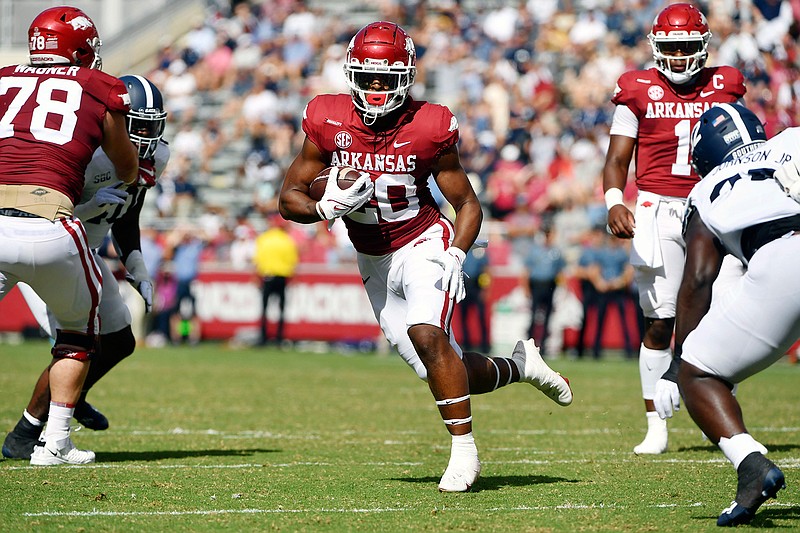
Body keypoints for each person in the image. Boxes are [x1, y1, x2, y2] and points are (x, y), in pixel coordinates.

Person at [279, 21, 572, 492]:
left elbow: (469, 204)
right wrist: (322, 208)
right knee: (435, 365)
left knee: (426, 332)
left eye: (386, 77)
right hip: (372, 258)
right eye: (368, 76)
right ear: (352, 73)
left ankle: (464, 452)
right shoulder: (327, 117)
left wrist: (456, 254)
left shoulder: (430, 124)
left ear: (407, 76)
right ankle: (521, 366)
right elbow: (288, 197)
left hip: (423, 242)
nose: (376, 87)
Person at [602, 3, 747, 454]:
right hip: (657, 208)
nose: (680, 56)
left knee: (724, 313)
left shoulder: (725, 84)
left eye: (687, 46)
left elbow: (744, 146)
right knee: (661, 321)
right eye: (672, 47)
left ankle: (720, 410)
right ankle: (656, 424)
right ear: (656, 48)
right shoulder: (637, 88)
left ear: (702, 46)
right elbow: (616, 159)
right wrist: (613, 201)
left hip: (712, 205)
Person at [2, 75, 169, 460]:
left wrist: (136, 262)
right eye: (136, 125)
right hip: (46, 239)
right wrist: (89, 208)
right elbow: (42, 204)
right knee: (80, 342)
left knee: (118, 341)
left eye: (151, 125)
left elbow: (129, 211)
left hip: (80, 250)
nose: (145, 135)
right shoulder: (87, 147)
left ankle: (48, 416)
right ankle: (35, 431)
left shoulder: (157, 154)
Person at [0, 6, 139, 465]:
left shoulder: (2, 77)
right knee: (79, 337)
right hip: (49, 224)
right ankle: (55, 442)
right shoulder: (99, 86)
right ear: (79, 50)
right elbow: (125, 166)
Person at [653, 103, 794, 526]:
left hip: (783, 259)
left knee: (699, 374)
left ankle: (752, 466)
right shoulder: (792, 140)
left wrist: (679, 362)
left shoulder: (707, 187)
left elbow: (699, 276)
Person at [253, 213, 299, 346]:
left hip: (267, 276)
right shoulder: (287, 240)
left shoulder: (264, 239)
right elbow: (292, 262)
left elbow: (257, 260)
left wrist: (256, 276)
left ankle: (263, 338)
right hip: (282, 277)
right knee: (281, 309)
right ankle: (279, 338)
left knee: (264, 308)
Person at [457, 247, 491, 353]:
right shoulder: (460, 249)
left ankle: (484, 344)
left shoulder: (479, 252)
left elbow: (485, 271)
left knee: (481, 316)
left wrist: (484, 289)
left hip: (477, 285)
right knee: (463, 317)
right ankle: (466, 344)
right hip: (464, 285)